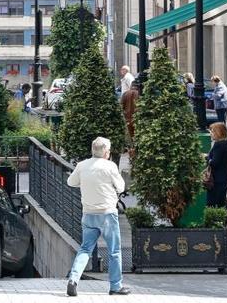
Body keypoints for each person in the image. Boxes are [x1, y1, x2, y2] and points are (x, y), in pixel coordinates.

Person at [66, 137, 129, 297]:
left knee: (85, 248)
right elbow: (121, 187)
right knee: (114, 251)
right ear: (106, 152)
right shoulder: (110, 166)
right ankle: (115, 286)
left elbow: (70, 182)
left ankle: (73, 279)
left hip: (88, 213)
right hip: (107, 213)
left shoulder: (82, 166)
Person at [206, 122, 227, 209]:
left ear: (218, 132)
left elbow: (214, 162)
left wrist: (207, 159)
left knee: (213, 203)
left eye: (212, 131)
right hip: (224, 179)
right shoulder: (226, 145)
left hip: (218, 180)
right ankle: (221, 220)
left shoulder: (219, 145)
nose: (211, 134)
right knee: (220, 202)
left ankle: (216, 221)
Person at [120, 81, 140, 159]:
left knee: (130, 140)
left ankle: (131, 155)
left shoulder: (125, 94)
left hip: (127, 120)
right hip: (137, 120)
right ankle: (136, 154)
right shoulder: (139, 93)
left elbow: (121, 107)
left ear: (131, 86)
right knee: (137, 138)